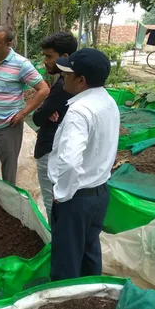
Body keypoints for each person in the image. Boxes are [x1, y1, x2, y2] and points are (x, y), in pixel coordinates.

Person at [48, 48, 119, 282]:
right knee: (89, 255)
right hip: (99, 194)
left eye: (68, 74)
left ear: (81, 80)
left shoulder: (80, 111)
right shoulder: (108, 102)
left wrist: (62, 193)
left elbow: (69, 161)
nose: (63, 77)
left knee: (66, 265)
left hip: (77, 199)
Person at [0, 25, 50, 185]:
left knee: (8, 170)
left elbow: (43, 90)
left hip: (9, 126)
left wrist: (23, 113)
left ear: (8, 43)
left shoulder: (21, 64)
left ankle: (7, 204)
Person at [32, 32, 77, 224]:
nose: (45, 61)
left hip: (49, 149)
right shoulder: (74, 84)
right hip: (62, 149)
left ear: (65, 57)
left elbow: (37, 117)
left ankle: (56, 244)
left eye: (49, 56)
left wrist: (44, 110)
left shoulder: (63, 86)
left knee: (52, 200)